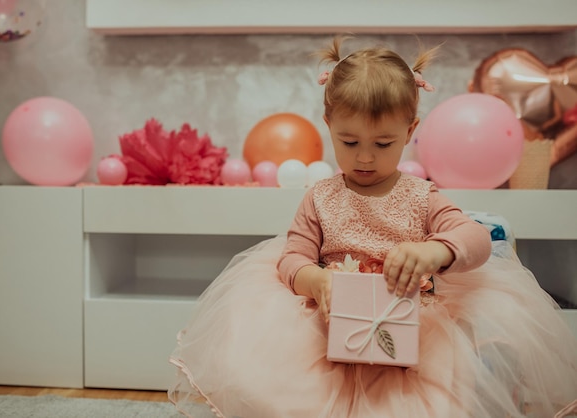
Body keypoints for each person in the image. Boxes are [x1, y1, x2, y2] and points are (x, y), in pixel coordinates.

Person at [168, 36, 577, 417]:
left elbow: (475, 238)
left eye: (383, 144)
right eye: (349, 142)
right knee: (282, 384)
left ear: (410, 131)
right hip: (329, 326)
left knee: (434, 397)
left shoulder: (422, 195)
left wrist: (435, 251)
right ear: (328, 125)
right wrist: (316, 282)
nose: (365, 158)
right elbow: (292, 259)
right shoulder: (320, 197)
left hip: (414, 325)